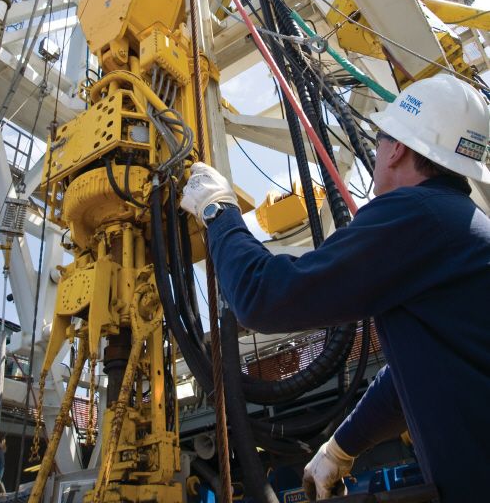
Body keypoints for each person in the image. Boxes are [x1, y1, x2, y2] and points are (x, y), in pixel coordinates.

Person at [180, 73, 490, 503]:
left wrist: (218, 211)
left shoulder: (418, 216)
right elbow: (409, 375)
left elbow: (263, 297)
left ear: (397, 148)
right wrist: (341, 447)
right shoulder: (459, 226)